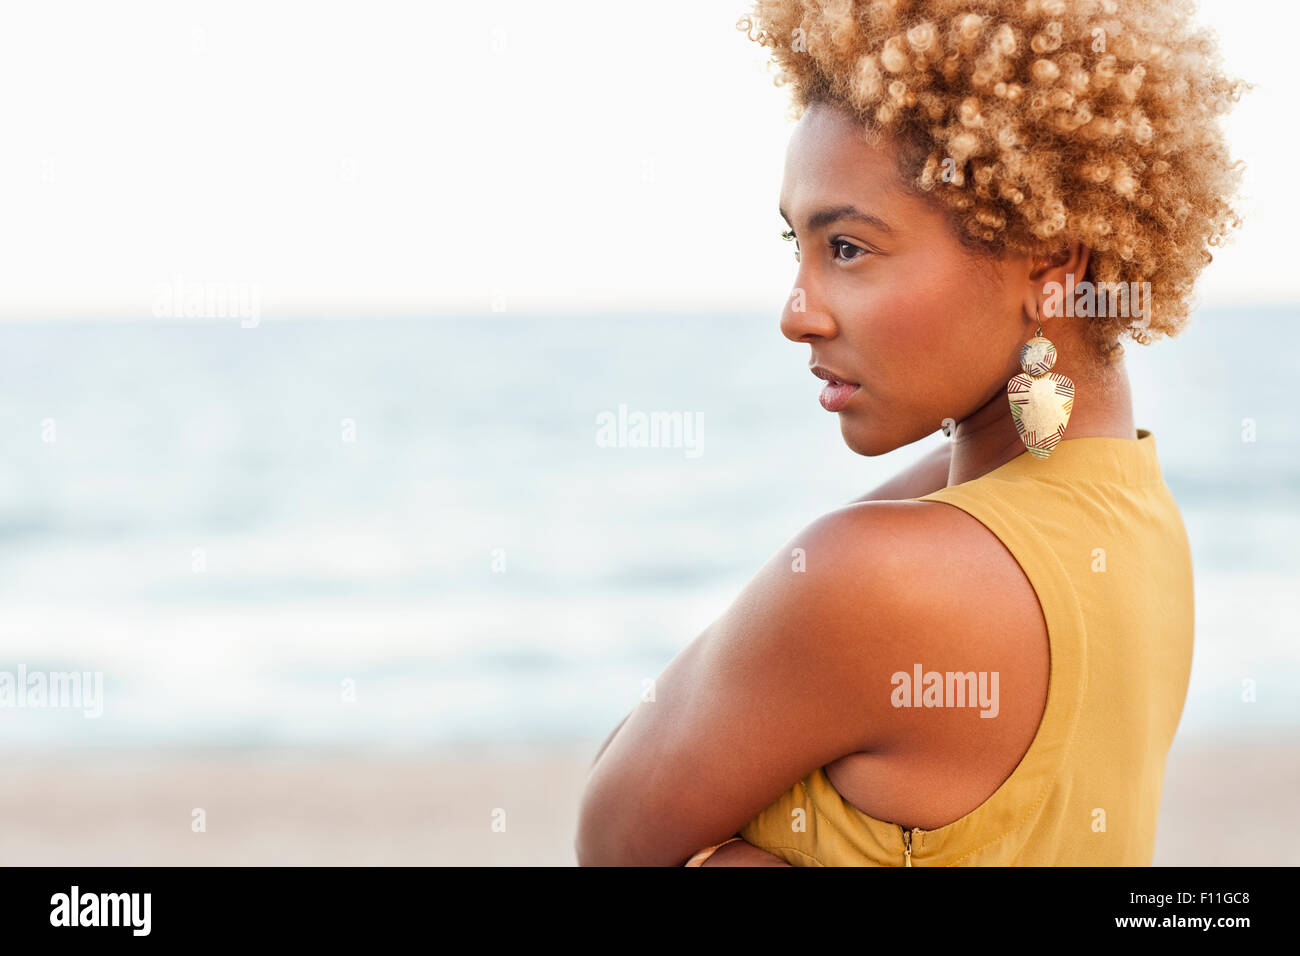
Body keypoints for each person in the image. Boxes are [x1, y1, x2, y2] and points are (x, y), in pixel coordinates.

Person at [575, 0, 1243, 866]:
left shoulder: (876, 577)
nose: (797, 313)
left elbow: (611, 835)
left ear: (1050, 265)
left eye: (847, 248)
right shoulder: (1139, 518)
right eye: (797, 245)